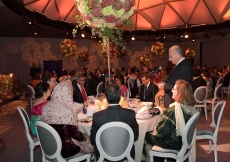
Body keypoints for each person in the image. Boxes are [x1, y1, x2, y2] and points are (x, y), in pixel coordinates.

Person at [142, 79, 197, 161]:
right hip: (185, 141)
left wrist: (152, 130)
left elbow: (161, 131)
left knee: (145, 136)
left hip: (174, 141)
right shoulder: (191, 107)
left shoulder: (175, 109)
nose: (171, 90)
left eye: (174, 89)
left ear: (180, 92)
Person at [90, 84, 139, 161]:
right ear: (120, 96)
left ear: (105, 97)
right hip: (126, 153)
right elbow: (135, 136)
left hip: (103, 155)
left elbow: (93, 139)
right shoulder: (130, 114)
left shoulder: (97, 116)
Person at [42, 80, 86, 158]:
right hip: (65, 149)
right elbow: (75, 134)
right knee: (89, 139)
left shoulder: (45, 107)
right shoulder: (67, 112)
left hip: (49, 145)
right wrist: (85, 137)